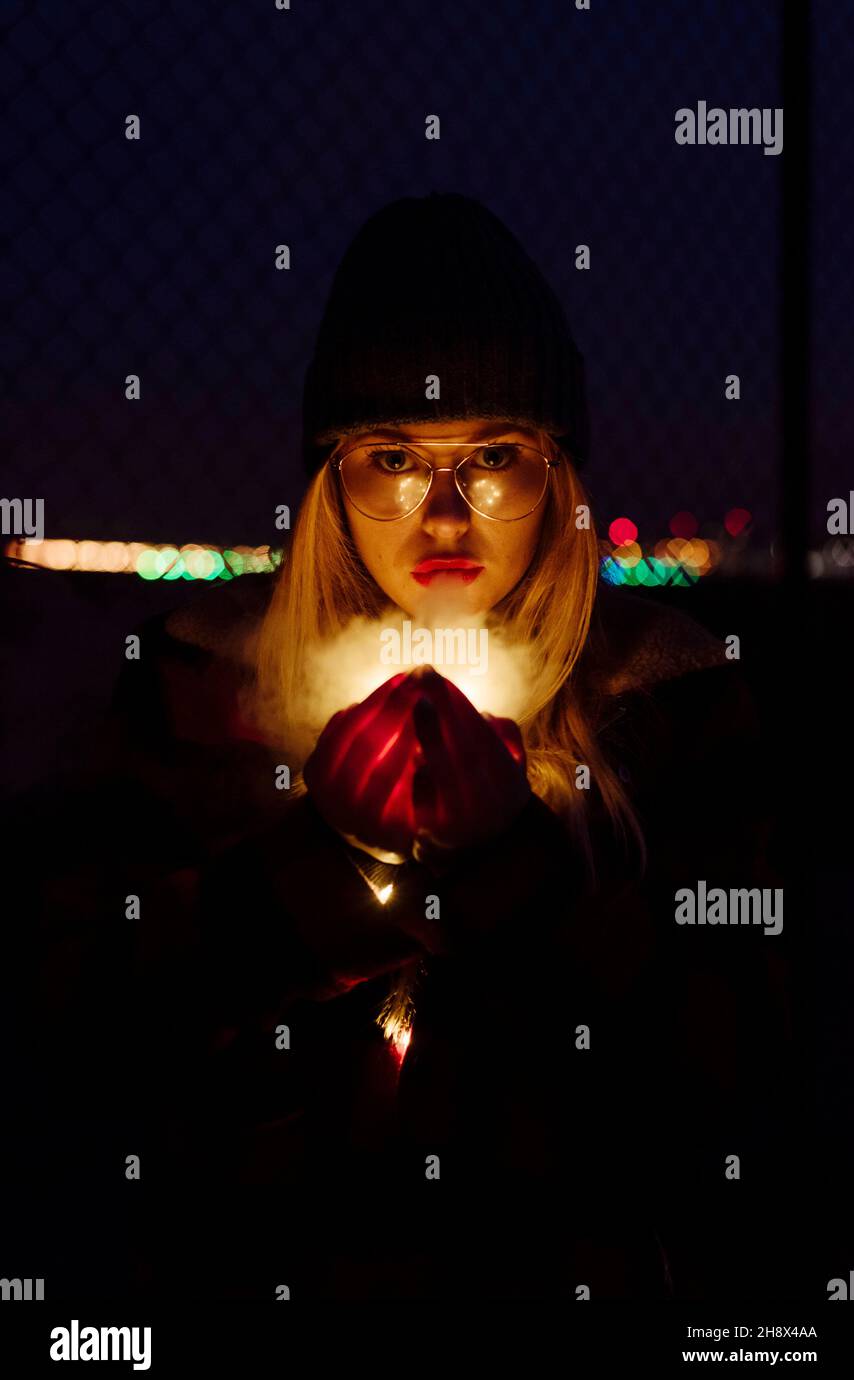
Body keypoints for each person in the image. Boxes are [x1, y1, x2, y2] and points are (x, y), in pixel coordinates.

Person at [6, 193, 797, 1302]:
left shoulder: (663, 700)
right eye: (391, 456)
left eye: (494, 455)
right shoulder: (203, 686)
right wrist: (318, 867)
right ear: (331, 479)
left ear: (557, 478)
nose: (441, 513)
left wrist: (505, 864)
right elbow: (79, 1027)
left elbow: (732, 1073)